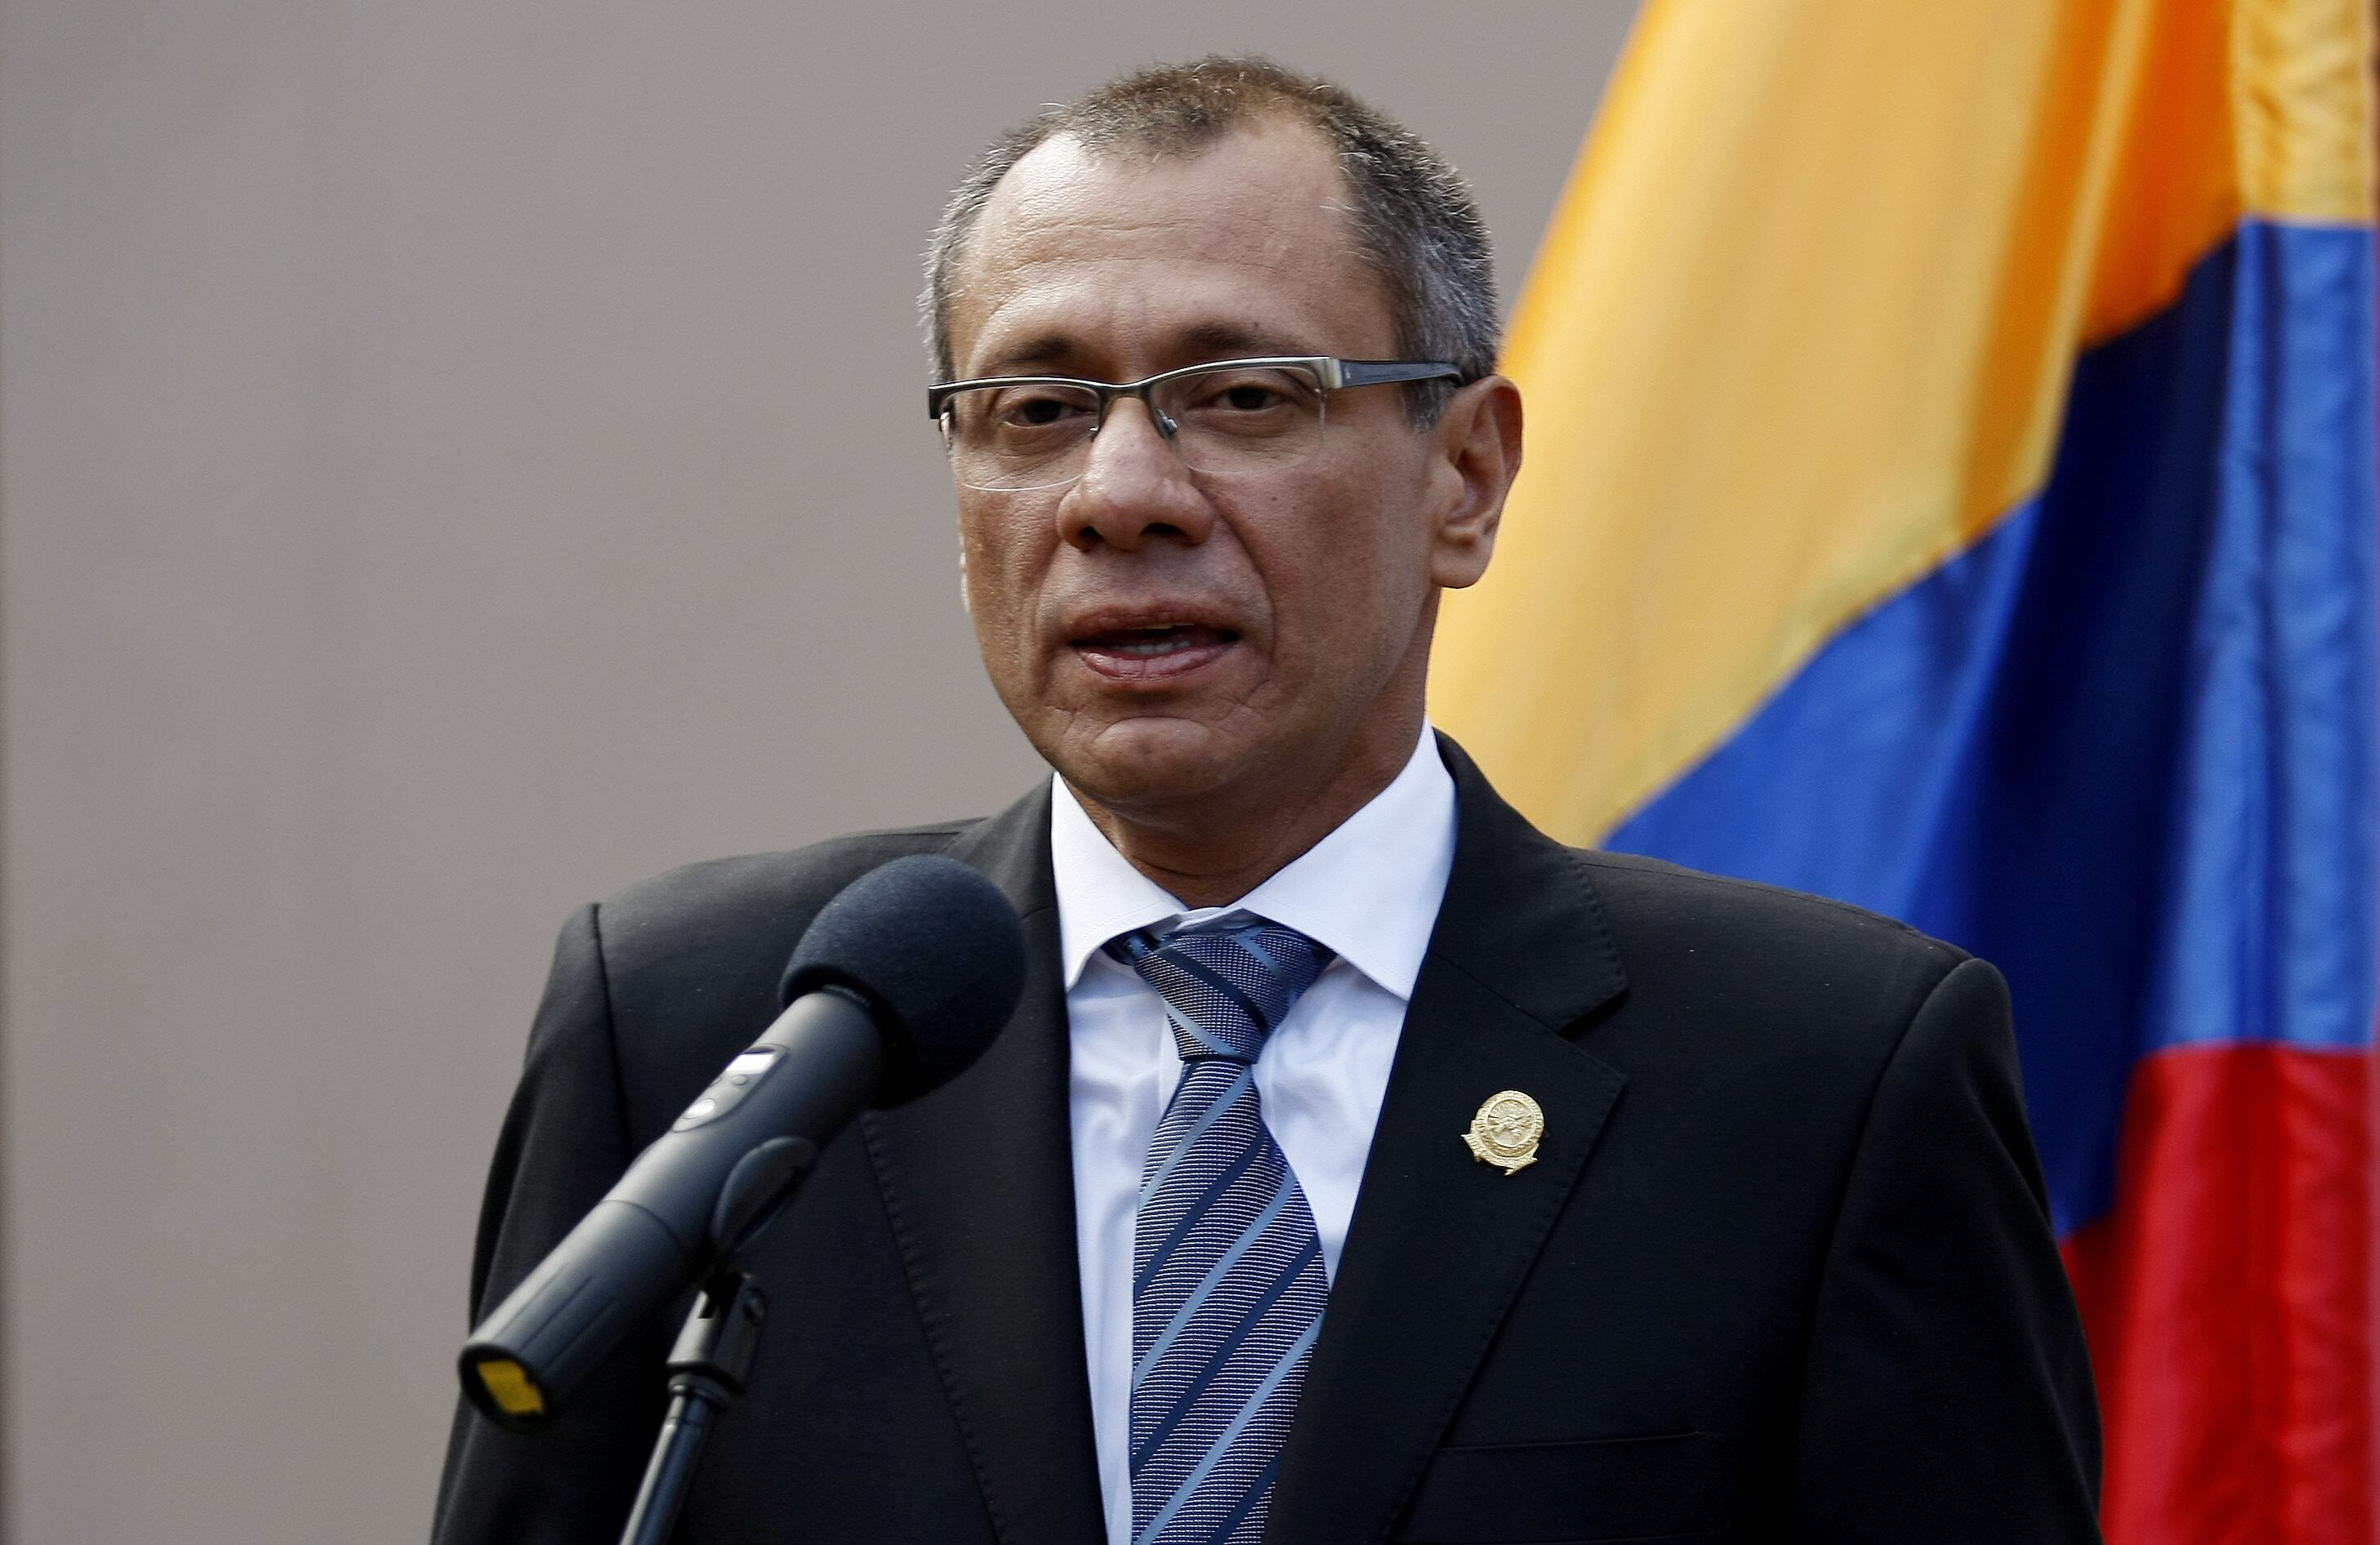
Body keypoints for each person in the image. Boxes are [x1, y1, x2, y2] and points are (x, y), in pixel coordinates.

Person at [432, 56, 2101, 1545]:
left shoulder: (1820, 1072)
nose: (1117, 496)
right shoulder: (701, 1021)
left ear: (1464, 477)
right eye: (1034, 409)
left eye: (1240, 397)